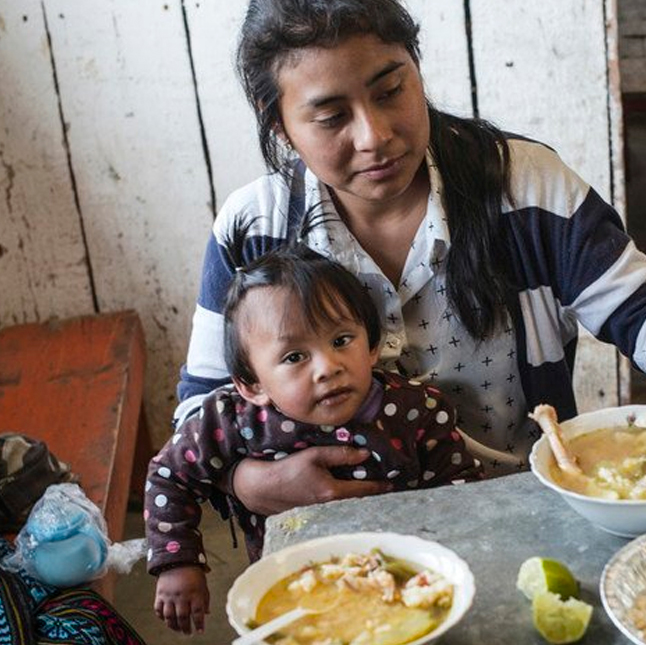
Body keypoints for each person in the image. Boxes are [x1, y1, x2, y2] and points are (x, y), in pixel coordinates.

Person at [175, 0, 646, 517]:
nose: (375, 135)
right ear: (279, 125)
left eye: (392, 90)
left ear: (416, 68)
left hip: (522, 508)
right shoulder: (252, 231)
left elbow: (636, 309)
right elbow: (198, 413)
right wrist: (249, 482)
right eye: (331, 116)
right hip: (337, 540)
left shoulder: (525, 186)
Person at [150, 229, 480, 634]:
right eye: (294, 356)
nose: (328, 366)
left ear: (372, 345)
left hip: (407, 584)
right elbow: (169, 475)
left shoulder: (418, 410)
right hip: (293, 593)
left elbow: (461, 490)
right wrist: (179, 562)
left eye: (342, 340)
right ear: (251, 385)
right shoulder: (232, 421)